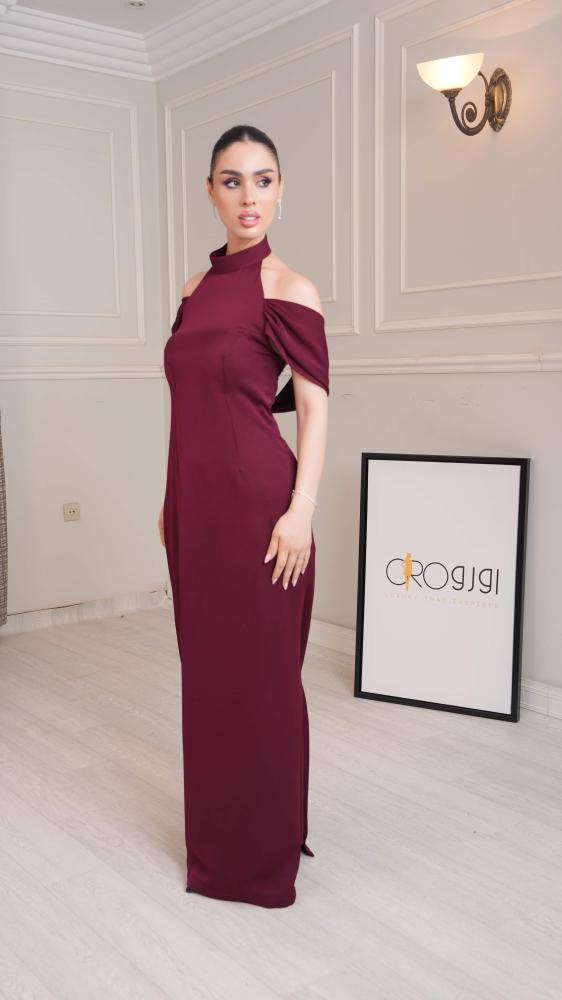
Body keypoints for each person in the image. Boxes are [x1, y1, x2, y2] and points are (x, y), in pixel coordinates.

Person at [158, 124, 329, 908]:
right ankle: (220, 843)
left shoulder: (290, 287)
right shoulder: (193, 292)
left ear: (281, 188)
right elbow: (189, 407)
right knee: (210, 681)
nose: (248, 197)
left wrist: (301, 510)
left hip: (265, 513)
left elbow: (313, 411)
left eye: (263, 180)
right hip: (196, 512)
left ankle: (263, 855)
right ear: (211, 192)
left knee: (263, 684)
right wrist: (170, 502)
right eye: (232, 181)